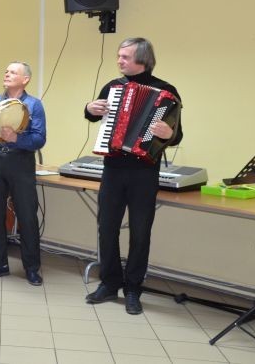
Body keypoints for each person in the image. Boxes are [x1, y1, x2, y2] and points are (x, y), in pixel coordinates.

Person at [83, 37, 182, 315]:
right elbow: (94, 116)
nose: (119, 61)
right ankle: (109, 283)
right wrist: (89, 108)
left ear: (143, 59)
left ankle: (133, 289)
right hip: (113, 168)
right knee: (106, 228)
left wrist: (168, 133)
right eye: (119, 56)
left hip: (144, 172)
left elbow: (177, 135)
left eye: (125, 57)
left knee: (140, 232)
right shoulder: (113, 87)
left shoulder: (167, 91)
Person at [0, 62, 46, 285]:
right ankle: (0, 264)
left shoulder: (34, 105)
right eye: (6, 71)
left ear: (25, 79)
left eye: (13, 72)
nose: (7, 74)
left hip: (21, 161)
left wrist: (17, 138)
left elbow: (39, 139)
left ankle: (32, 268)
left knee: (27, 215)